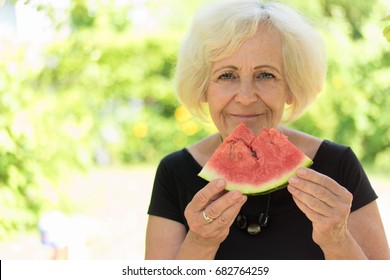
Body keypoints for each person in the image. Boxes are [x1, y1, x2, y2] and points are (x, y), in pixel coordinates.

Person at [145, 0, 390, 260]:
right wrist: (200, 242)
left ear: (290, 87)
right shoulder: (174, 173)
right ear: (204, 87)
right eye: (227, 75)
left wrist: (337, 240)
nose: (246, 97)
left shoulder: (338, 166)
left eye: (266, 75)